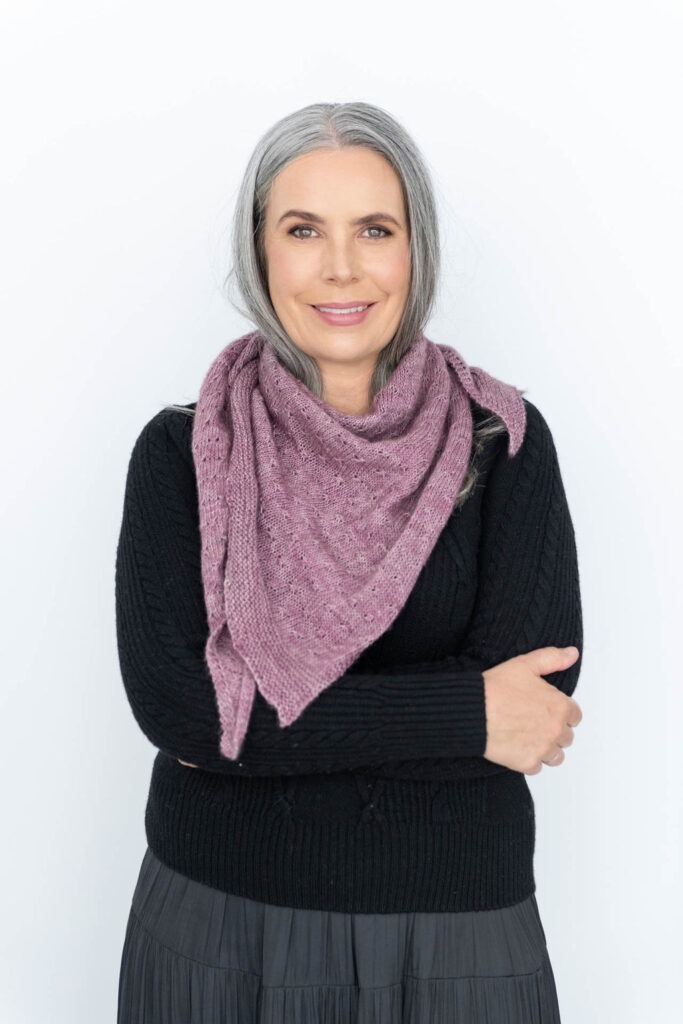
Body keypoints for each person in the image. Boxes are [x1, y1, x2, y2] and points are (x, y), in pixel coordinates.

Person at [115, 100, 584, 1023]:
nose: (340, 267)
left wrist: (259, 736)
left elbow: (531, 718)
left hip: (457, 937)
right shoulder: (181, 455)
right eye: (302, 230)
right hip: (219, 928)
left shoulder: (504, 444)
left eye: (374, 228)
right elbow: (181, 711)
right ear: (260, 251)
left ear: (417, 248)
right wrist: (460, 711)